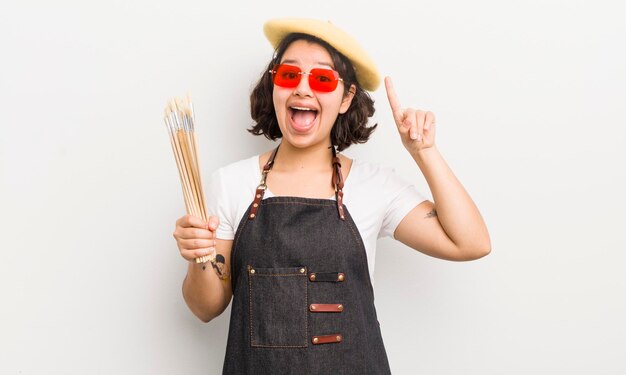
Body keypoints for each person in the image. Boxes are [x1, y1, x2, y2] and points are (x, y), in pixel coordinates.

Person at [172, 17, 491, 374]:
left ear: (346, 97)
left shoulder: (375, 186)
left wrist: (423, 151)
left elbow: (472, 243)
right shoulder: (231, 183)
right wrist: (199, 256)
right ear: (274, 85)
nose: (303, 90)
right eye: (289, 75)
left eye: (322, 79)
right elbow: (204, 308)